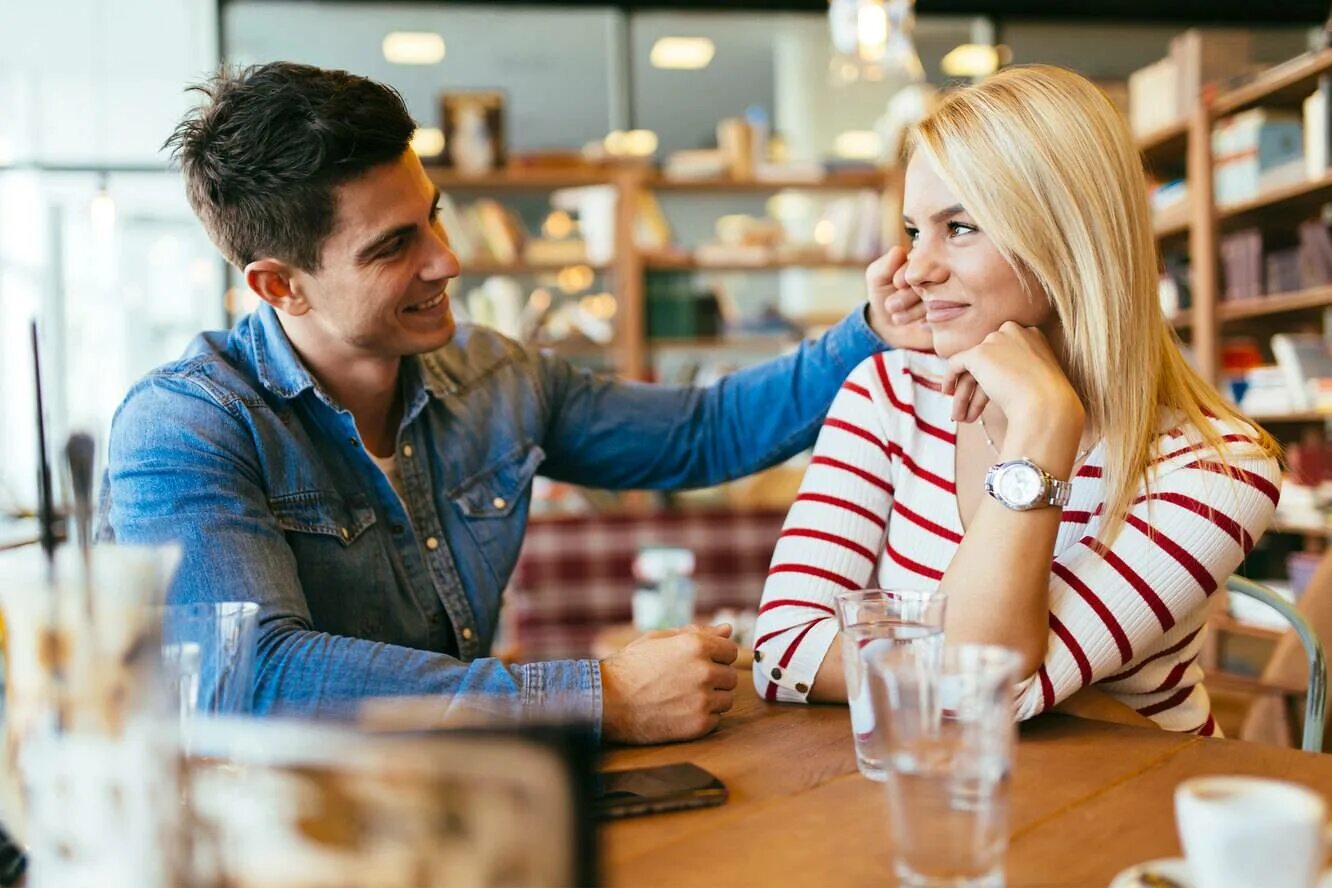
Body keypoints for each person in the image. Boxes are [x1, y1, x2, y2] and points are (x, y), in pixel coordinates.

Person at [97, 61, 929, 744]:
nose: (448, 262)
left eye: (434, 218)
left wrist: (869, 328)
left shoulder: (495, 378)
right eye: (395, 247)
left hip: (458, 816)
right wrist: (596, 697)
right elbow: (248, 680)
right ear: (281, 285)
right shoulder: (184, 427)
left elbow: (701, 433)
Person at [754, 65, 1281, 735]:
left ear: (1067, 239)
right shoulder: (888, 395)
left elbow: (985, 689)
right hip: (937, 798)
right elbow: (783, 653)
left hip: (1130, 816)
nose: (915, 268)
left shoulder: (1219, 471)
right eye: (916, 231)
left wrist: (1042, 423)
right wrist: (950, 674)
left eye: (961, 227)